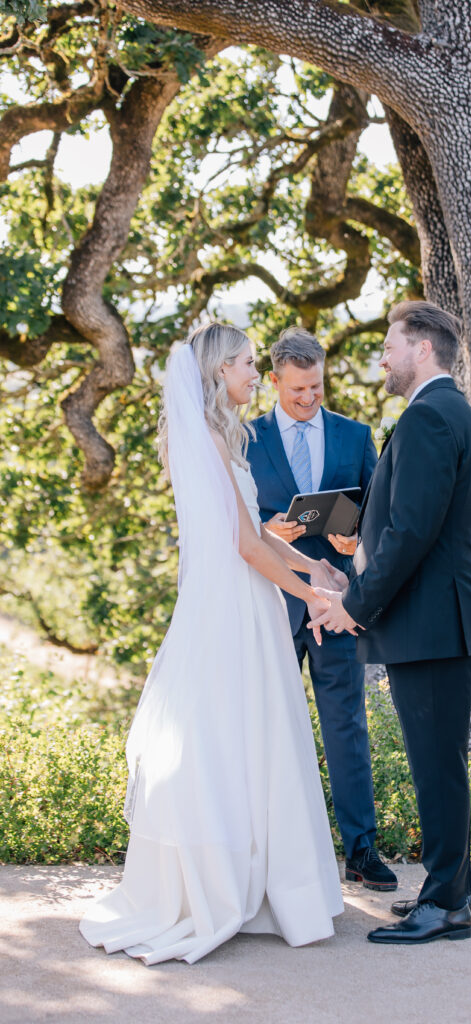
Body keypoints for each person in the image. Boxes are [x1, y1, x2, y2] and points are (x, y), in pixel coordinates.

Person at [79, 322, 344, 964]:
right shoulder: (211, 446)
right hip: (233, 610)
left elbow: (254, 532)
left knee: (238, 739)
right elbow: (245, 545)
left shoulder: (208, 440)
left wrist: (317, 569)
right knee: (241, 740)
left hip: (231, 602)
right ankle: (236, 891)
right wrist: (311, 597)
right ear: (219, 371)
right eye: (249, 364)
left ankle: (249, 885)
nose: (258, 374)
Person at [310, 300, 471, 945]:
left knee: (437, 763)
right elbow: (415, 526)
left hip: (435, 623)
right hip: (439, 619)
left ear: (422, 347)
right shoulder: (449, 414)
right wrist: (355, 559)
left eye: (390, 344)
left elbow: (414, 534)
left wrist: (354, 606)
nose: (382, 356)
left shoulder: (428, 419)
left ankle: (446, 905)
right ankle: (449, 892)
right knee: (437, 760)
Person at [247, 328, 397, 892]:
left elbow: (382, 513)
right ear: (275, 381)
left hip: (336, 604)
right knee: (266, 729)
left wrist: (354, 537)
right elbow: (235, 524)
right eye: (297, 390)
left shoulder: (355, 435)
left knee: (346, 728)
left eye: (316, 387)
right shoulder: (244, 439)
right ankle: (267, 855)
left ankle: (362, 850)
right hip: (269, 604)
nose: (309, 398)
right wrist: (267, 529)